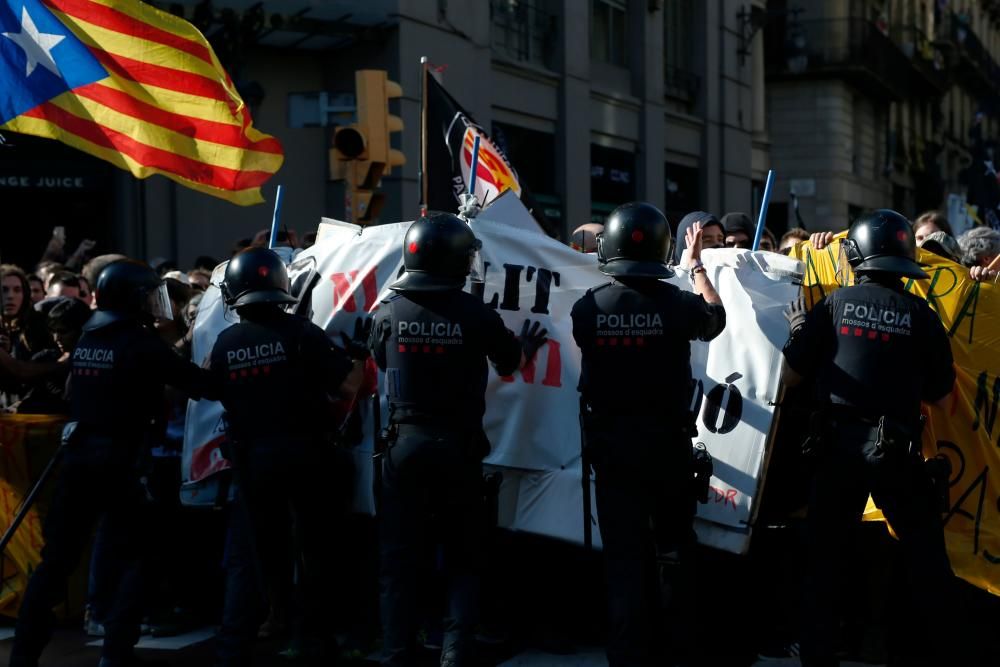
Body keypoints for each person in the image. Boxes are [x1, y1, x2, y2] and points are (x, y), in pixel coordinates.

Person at [9, 259, 219, 667]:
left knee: (56, 563)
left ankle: (23, 654)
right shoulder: (138, 341)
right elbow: (198, 384)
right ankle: (117, 653)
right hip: (122, 463)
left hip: (78, 461)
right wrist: (213, 360)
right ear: (134, 298)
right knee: (140, 558)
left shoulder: (90, 336)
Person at [781, 209, 959, 667]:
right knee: (926, 560)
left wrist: (801, 329)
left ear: (857, 255)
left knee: (823, 562)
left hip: (837, 445)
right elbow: (943, 400)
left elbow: (791, 375)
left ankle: (819, 656)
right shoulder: (922, 315)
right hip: (897, 449)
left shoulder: (835, 304)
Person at [369, 212, 547, 667]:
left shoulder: (388, 309)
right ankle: (455, 654)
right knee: (464, 559)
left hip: (403, 449)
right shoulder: (475, 312)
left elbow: (375, 355)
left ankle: (396, 653)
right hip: (458, 449)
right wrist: (525, 347)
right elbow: (508, 362)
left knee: (398, 560)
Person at [571, 202, 726, 666]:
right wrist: (696, 265)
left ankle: (628, 654)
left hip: (613, 451)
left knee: (624, 561)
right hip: (667, 448)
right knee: (675, 551)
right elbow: (714, 318)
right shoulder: (678, 304)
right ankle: (679, 648)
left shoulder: (587, 307)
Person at [208, 247, 366, 667]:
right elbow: (348, 387)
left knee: (262, 552)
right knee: (315, 549)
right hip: (308, 458)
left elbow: (213, 388)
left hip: (253, 464)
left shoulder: (225, 343)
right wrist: (360, 355)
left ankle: (256, 631)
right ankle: (314, 637)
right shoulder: (302, 333)